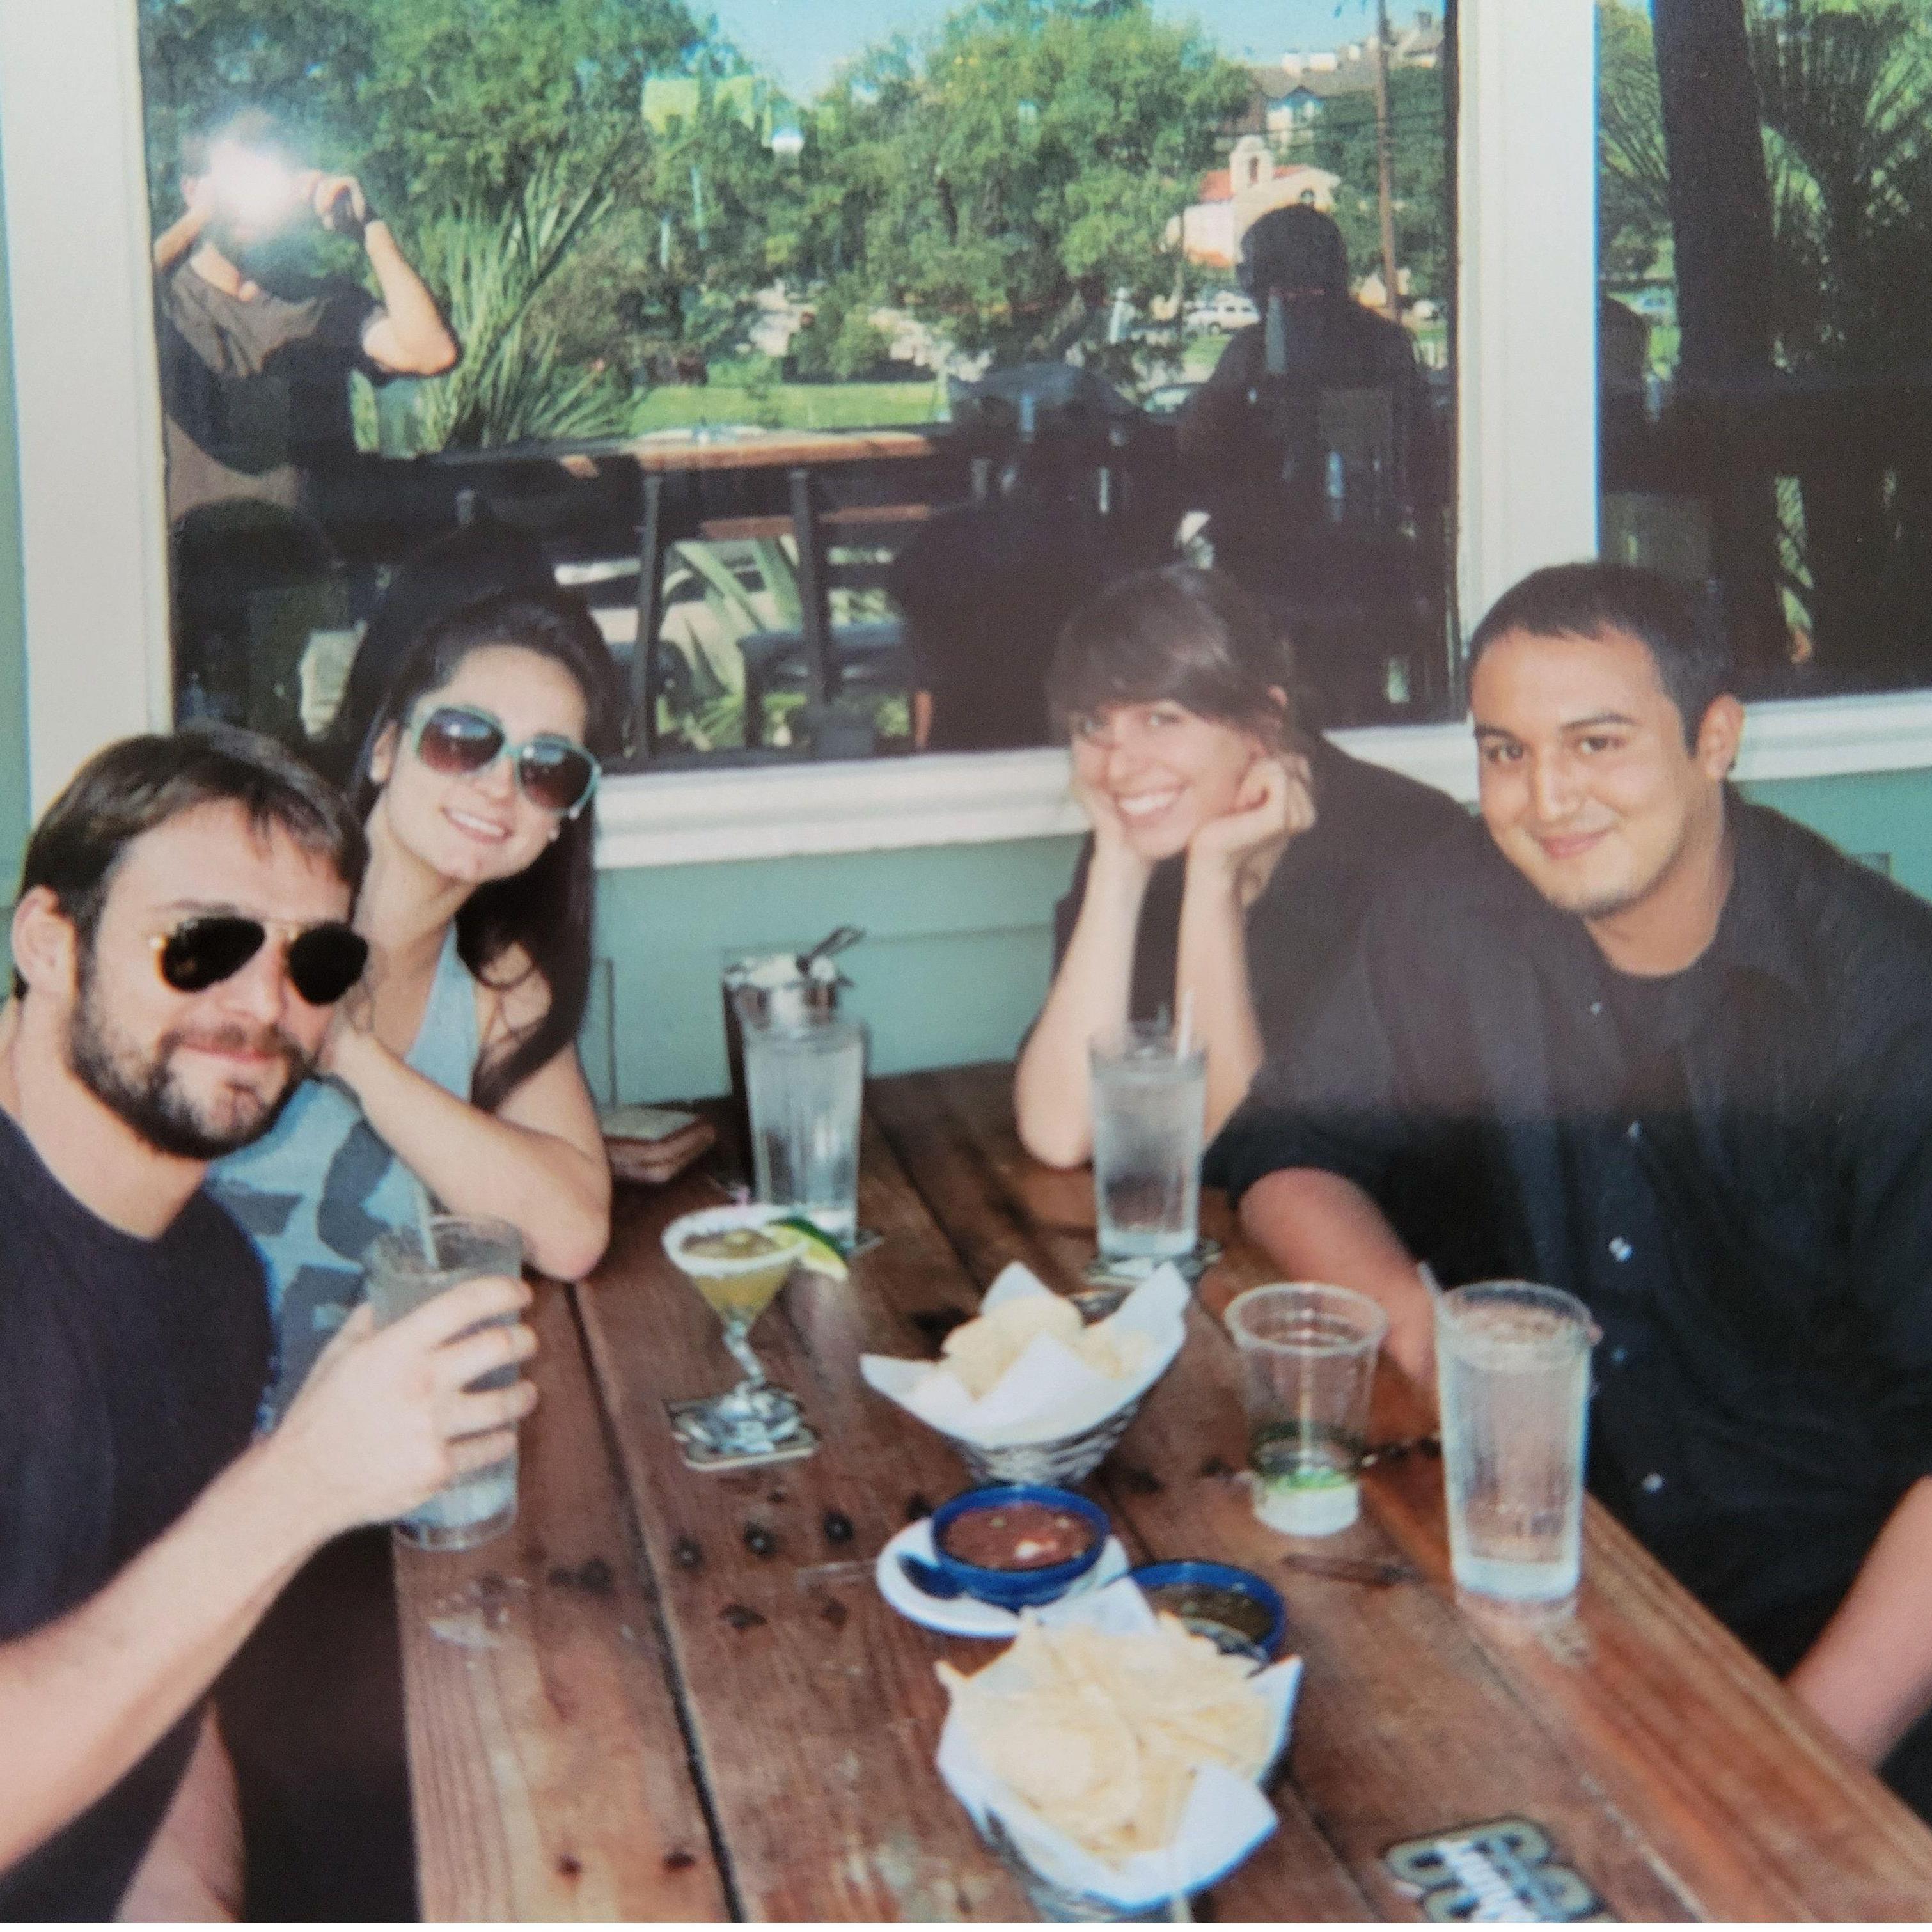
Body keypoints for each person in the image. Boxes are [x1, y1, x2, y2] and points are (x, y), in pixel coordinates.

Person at [1214, 560, 1932, 1812]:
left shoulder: (1885, 1007)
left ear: (1714, 738)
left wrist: (1786, 1773)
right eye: (1504, 750)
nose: (1546, 797)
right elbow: (1288, 1149)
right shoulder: (1451, 906)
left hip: (1843, 1653)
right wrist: (1425, 1330)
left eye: (1596, 742)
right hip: (1541, 1568)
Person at [0, 728, 537, 1919]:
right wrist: (302, 1484)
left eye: (316, 958)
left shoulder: (212, 1281)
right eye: (202, 941)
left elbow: (165, 1703)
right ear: (50, 942)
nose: (262, 1002)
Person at [205, 581, 619, 1918]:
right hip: (207, 1490)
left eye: (547, 766)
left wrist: (360, 1058)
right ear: (383, 741)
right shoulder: (239, 911)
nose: (502, 785)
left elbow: (570, 1224)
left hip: (388, 1504)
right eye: (464, 738)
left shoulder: (493, 984)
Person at [1013, 563, 1472, 1165]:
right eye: (1093, 724)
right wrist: (1118, 870)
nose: (1118, 768)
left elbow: (1238, 1146)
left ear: (1263, 721)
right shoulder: (1148, 833)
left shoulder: (1408, 853)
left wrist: (1213, 884)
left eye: (1160, 718)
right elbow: (1060, 1130)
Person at [153, 106, 458, 525]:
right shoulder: (162, 300)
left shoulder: (326, 302)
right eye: (234, 180)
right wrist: (200, 218)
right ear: (192, 189)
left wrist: (369, 228)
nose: (245, 196)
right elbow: (101, 318)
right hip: (196, 572)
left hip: (311, 571)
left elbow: (431, 352)